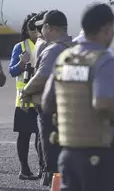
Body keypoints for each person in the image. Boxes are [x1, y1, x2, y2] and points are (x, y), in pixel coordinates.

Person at [41, 3, 114, 191]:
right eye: (111, 28)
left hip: (68, 154)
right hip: (99, 155)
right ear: (105, 29)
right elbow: (102, 103)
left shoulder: (65, 58)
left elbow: (47, 102)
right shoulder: (103, 60)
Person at [20, 10, 73, 187]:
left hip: (51, 109)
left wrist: (25, 91)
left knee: (52, 156)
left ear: (50, 28)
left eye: (42, 27)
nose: (40, 31)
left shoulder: (53, 50)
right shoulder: (75, 47)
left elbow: (41, 77)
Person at [8, 13, 43, 180]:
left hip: (42, 98)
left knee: (41, 136)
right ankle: (24, 169)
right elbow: (12, 71)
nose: (35, 31)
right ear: (27, 30)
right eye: (31, 28)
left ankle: (44, 168)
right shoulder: (20, 47)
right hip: (24, 100)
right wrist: (22, 63)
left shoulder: (46, 45)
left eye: (37, 27)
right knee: (24, 135)